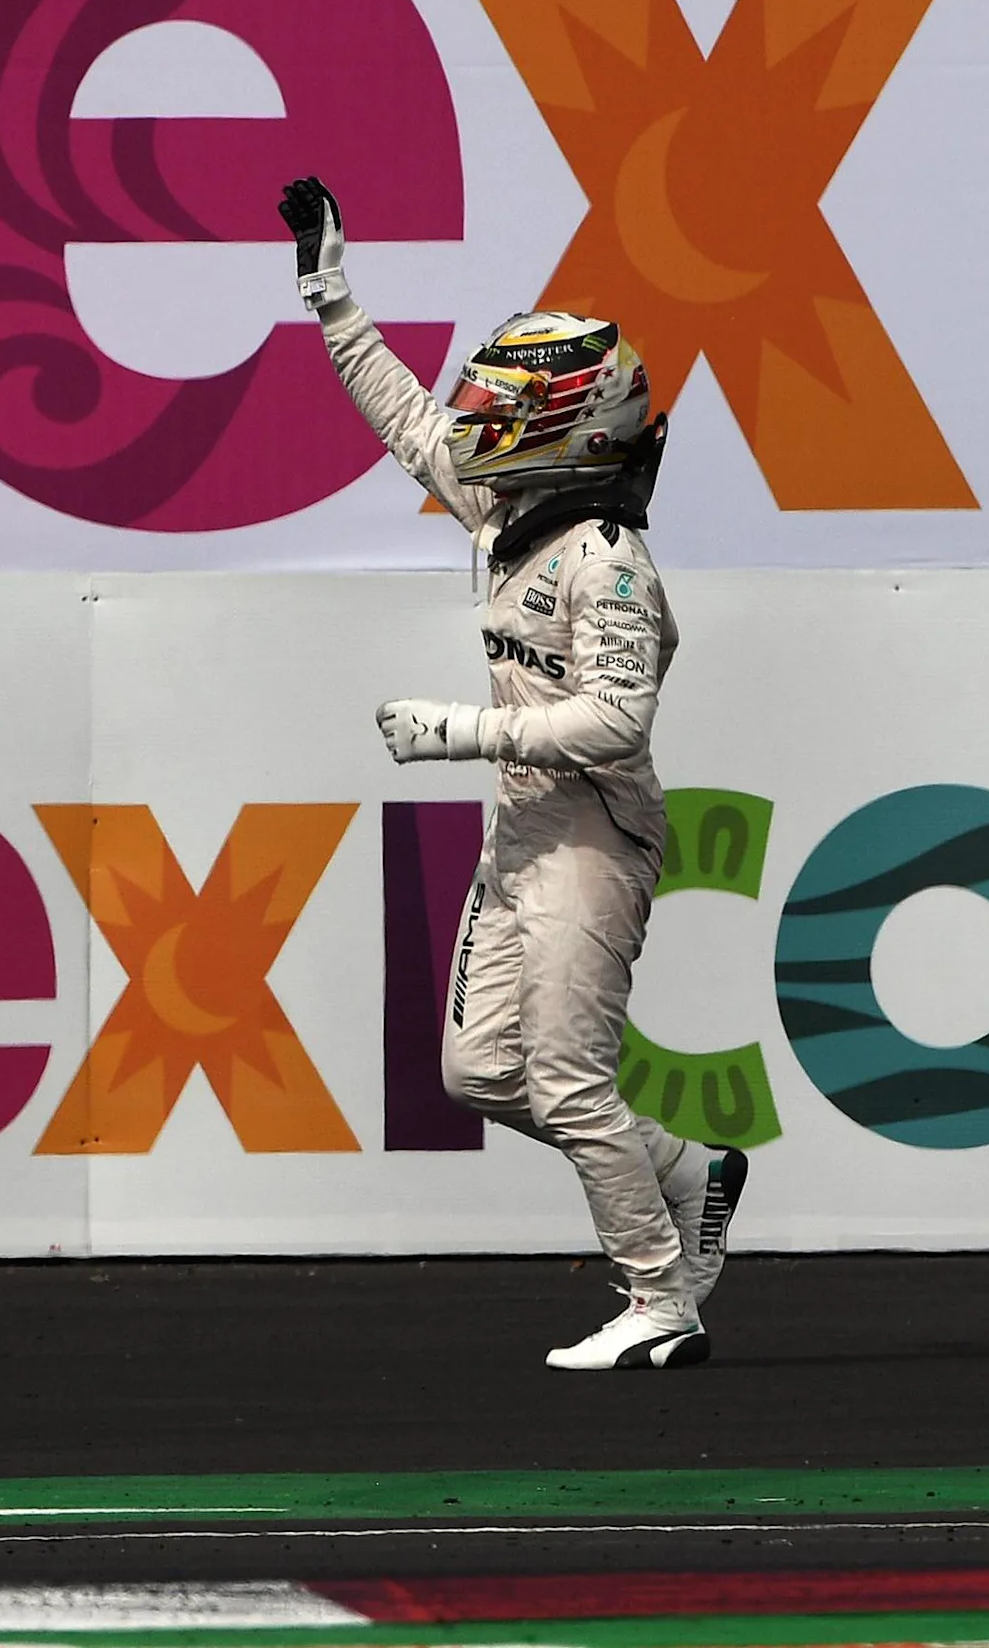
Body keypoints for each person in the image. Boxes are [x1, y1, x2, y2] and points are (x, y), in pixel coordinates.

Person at [280, 176, 750, 1371]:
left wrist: (457, 732)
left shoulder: (611, 564)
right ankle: (692, 1171)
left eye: (504, 402)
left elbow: (612, 721)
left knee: (566, 1077)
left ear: (573, 421)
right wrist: (328, 290)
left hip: (593, 837)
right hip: (523, 837)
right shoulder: (503, 508)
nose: (475, 416)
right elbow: (403, 419)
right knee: (479, 1071)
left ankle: (659, 1300)